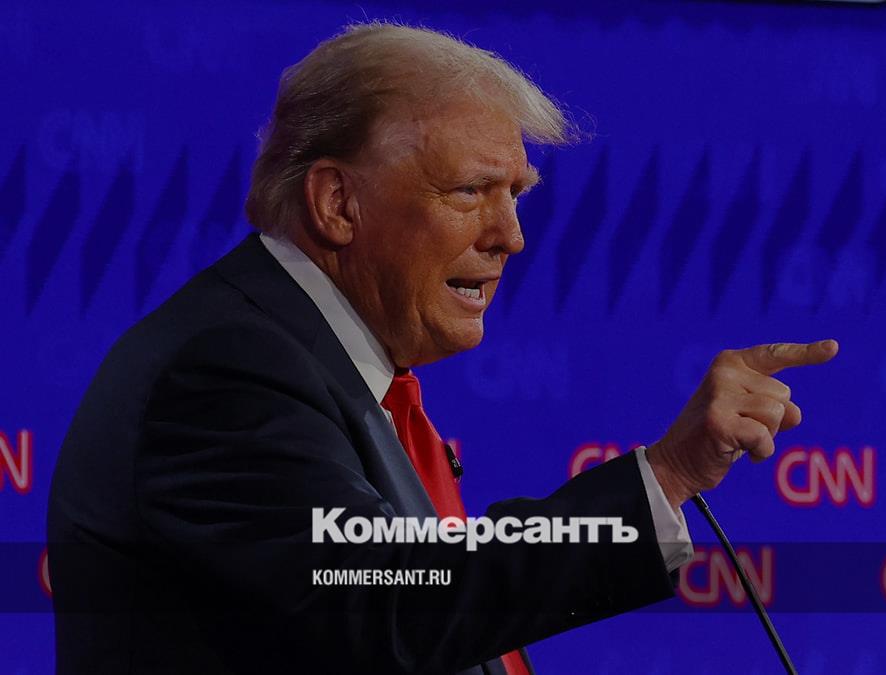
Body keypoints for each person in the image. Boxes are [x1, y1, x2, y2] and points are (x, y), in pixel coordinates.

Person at [47, 21, 838, 675]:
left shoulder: (321, 365)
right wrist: (663, 478)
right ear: (336, 202)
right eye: (469, 191)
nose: (510, 236)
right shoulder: (226, 371)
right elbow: (392, 600)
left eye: (515, 195)